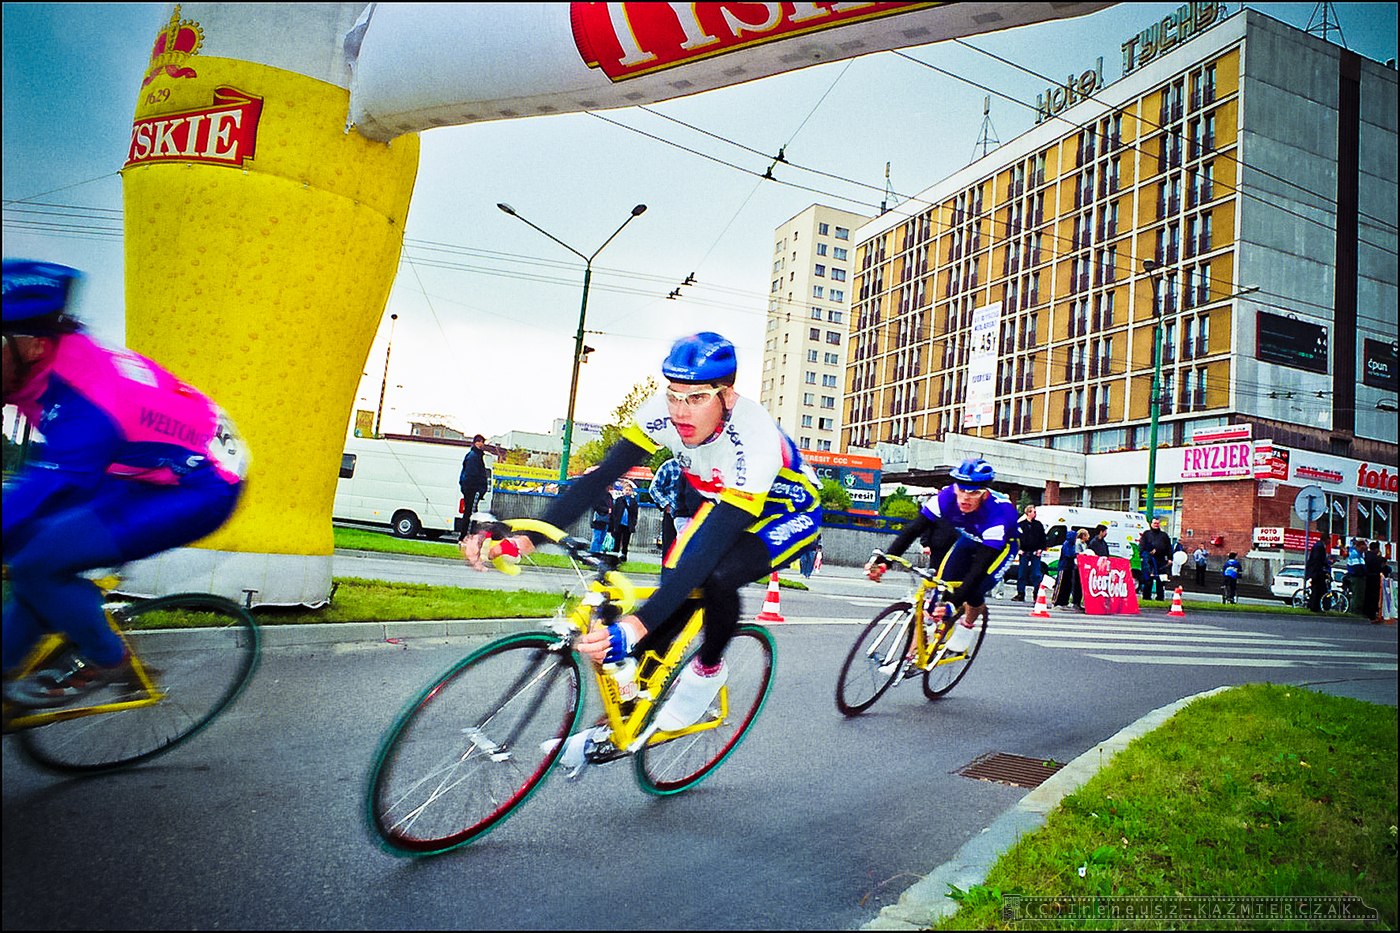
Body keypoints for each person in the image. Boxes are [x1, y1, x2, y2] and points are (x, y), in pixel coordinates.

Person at [461, 332, 821, 735]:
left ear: (727, 396)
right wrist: (524, 539)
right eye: (674, 395)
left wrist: (635, 626)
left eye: (697, 398)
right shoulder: (660, 414)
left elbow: (713, 547)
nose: (680, 412)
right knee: (673, 587)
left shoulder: (755, 436)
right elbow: (599, 479)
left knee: (715, 576)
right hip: (722, 501)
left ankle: (708, 669)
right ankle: (632, 709)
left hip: (785, 512)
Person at [2, 260, 248, 707]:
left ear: (33, 346)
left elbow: (52, 485)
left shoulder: (86, 406)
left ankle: (105, 658)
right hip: (139, 462)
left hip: (200, 487)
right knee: (29, 549)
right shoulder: (38, 359)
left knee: (37, 562)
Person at [865, 458, 1019, 638]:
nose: (965, 498)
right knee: (941, 584)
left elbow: (979, 567)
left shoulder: (999, 515)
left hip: (1001, 548)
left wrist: (954, 603)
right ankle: (914, 653)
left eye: (974, 493)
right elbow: (913, 530)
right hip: (969, 539)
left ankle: (967, 626)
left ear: (984, 494)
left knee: (974, 590)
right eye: (961, 490)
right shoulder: (946, 498)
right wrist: (886, 561)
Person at [650, 456, 683, 558]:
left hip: (693, 515)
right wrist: (666, 504)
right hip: (672, 513)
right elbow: (654, 488)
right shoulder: (670, 465)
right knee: (669, 551)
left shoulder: (700, 466)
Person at [1012, 504, 1047, 601]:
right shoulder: (1021, 525)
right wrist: (1018, 549)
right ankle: (1020, 593)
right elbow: (1016, 538)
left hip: (1035, 552)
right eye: (1033, 512)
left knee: (1036, 574)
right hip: (1024, 552)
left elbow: (1043, 538)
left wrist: (1040, 549)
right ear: (1028, 513)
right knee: (1022, 573)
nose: (1035, 514)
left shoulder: (1038, 525)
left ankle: (1037, 593)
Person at [458, 433, 489, 534]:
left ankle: (467, 535)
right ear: (475, 443)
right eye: (479, 441)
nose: (481, 444)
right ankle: (465, 535)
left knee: (471, 513)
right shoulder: (473, 457)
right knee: (470, 514)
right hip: (472, 490)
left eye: (482, 442)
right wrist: (476, 489)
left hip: (473, 490)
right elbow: (472, 475)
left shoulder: (476, 456)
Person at [1138, 517, 1172, 601]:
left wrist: (1170, 558)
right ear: (1151, 524)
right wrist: (1146, 553)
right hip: (1149, 561)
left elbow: (1169, 547)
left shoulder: (1164, 535)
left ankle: (1160, 597)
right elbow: (1142, 546)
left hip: (1161, 560)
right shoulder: (1146, 534)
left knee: (1161, 580)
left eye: (1157, 523)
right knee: (1148, 580)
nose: (1156, 525)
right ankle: (1146, 597)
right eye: (1154, 523)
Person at [608, 479, 639, 561]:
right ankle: (614, 557)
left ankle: (624, 557)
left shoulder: (633, 502)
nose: (627, 491)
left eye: (629, 490)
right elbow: (615, 512)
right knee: (617, 541)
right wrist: (613, 523)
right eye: (626, 490)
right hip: (619, 523)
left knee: (625, 542)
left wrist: (633, 522)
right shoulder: (619, 500)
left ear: (632, 491)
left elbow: (635, 513)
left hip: (628, 524)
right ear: (623, 491)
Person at [1362, 541, 1388, 624]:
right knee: (1373, 598)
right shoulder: (1377, 559)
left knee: (1366, 596)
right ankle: (1372, 615)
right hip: (1374, 579)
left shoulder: (1366, 556)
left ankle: (1365, 613)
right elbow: (1382, 569)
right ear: (1376, 549)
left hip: (1366, 578)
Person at [1305, 534, 1331, 613]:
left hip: (1317, 571)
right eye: (1329, 539)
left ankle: (1317, 606)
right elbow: (1317, 559)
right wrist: (1326, 564)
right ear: (1326, 539)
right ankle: (1314, 607)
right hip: (1317, 572)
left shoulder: (1319, 546)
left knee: (1319, 589)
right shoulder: (1319, 546)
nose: (1330, 541)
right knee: (1317, 589)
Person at [1345, 537, 1368, 617]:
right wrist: (1364, 573)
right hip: (1357, 577)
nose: (1364, 549)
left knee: (1359, 594)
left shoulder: (1360, 554)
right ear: (1359, 546)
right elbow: (1357, 567)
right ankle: (1355, 611)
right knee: (1357, 594)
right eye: (1363, 547)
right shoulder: (1355, 554)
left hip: (1358, 576)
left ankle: (1356, 610)